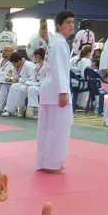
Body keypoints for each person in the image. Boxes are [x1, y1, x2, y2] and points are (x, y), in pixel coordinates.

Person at [36, 9, 73, 173]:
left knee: (46, 129)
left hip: (49, 88)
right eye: (67, 22)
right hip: (56, 90)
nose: (71, 25)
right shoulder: (59, 43)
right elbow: (59, 69)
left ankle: (44, 162)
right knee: (57, 129)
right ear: (58, 25)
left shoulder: (55, 42)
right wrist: (63, 92)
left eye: (73, 22)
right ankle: (52, 163)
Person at [1, 51, 38, 117]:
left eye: (14, 64)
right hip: (22, 83)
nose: (13, 65)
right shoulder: (17, 65)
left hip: (31, 83)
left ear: (19, 61)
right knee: (12, 86)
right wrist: (11, 79)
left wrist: (19, 80)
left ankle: (18, 109)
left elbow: (33, 78)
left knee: (16, 87)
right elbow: (15, 76)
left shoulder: (29, 66)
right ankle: (10, 110)